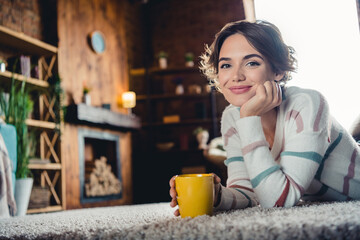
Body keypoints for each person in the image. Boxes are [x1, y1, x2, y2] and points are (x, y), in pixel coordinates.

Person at [169, 20, 360, 216]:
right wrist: (216, 196)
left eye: (251, 63)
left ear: (278, 71)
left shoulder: (308, 103)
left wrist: (249, 117)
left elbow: (278, 201)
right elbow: (247, 192)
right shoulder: (233, 117)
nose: (236, 76)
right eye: (226, 65)